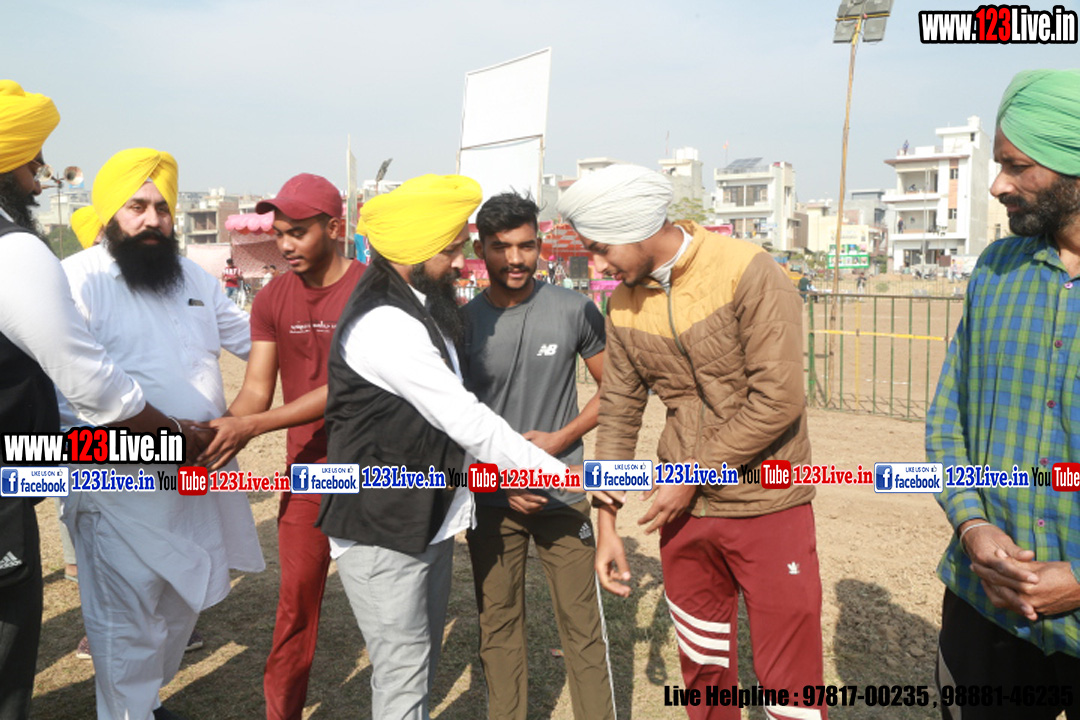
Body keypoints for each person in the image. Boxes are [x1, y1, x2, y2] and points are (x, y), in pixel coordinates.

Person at [316, 175, 597, 720]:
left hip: (427, 519)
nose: (462, 262)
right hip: (382, 528)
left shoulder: (424, 308)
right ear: (415, 251)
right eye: (450, 251)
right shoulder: (386, 323)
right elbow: (467, 419)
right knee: (403, 674)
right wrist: (560, 475)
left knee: (418, 665)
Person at [558, 164, 826, 720]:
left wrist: (692, 474)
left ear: (634, 227)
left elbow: (778, 400)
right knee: (703, 671)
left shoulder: (747, 270)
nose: (598, 265)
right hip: (684, 516)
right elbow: (619, 413)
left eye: (601, 248)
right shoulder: (622, 303)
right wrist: (606, 525)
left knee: (789, 680)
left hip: (768, 502)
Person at [0, 80, 198, 720]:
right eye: (32, 160)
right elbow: (91, 384)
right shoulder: (16, 251)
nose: (39, 176)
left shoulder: (190, 277)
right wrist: (178, 438)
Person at [57, 147, 264, 720]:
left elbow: (256, 343)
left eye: (162, 208)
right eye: (136, 207)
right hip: (116, 482)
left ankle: (144, 702)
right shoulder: (76, 279)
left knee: (180, 603)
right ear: (109, 213)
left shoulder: (193, 277)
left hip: (198, 478)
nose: (152, 219)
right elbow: (75, 390)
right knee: (126, 620)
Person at [927, 69, 1080, 720]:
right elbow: (947, 422)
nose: (997, 185)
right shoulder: (995, 270)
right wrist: (973, 523)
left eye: (1017, 166)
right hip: (984, 608)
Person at [195, 173, 365, 720]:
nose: (285, 245)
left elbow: (347, 387)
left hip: (376, 474)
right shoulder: (271, 297)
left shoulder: (372, 291)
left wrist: (252, 427)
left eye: (298, 232)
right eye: (280, 233)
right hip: (308, 473)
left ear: (334, 228)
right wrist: (214, 433)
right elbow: (255, 391)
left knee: (388, 617)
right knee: (294, 609)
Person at [462, 193, 613, 720]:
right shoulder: (462, 324)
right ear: (480, 250)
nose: (516, 259)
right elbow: (450, 421)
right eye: (501, 247)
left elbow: (614, 390)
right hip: (491, 501)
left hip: (564, 494)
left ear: (540, 244)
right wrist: (498, 480)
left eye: (526, 245)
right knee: (498, 626)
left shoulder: (575, 309)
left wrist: (560, 438)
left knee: (582, 627)